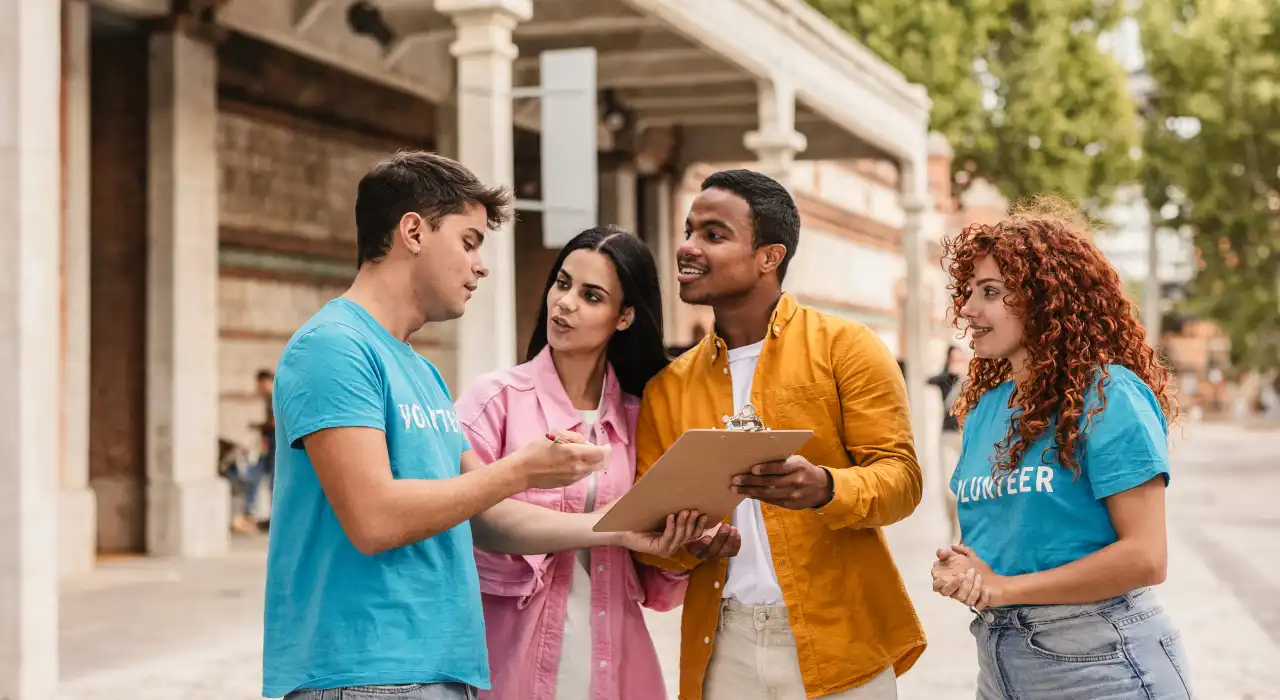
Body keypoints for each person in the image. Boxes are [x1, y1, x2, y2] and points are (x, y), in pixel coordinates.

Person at [262, 151, 712, 700]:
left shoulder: (417, 368)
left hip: (441, 670)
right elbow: (374, 518)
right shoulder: (335, 348)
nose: (482, 265)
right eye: (470, 241)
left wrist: (620, 530)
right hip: (365, 674)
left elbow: (489, 517)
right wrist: (523, 469)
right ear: (413, 232)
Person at [634, 169, 926, 700]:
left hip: (840, 638)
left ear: (769, 256)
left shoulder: (846, 347)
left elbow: (902, 480)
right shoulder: (668, 387)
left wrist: (827, 489)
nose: (686, 248)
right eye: (688, 230)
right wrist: (690, 544)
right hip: (724, 643)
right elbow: (653, 543)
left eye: (713, 235)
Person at [455, 226, 738, 700]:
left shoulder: (640, 418)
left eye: (591, 295)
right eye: (562, 284)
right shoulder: (495, 401)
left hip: (617, 671)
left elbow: (653, 579)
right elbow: (466, 521)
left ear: (624, 316)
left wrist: (686, 545)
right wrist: (616, 528)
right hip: (509, 670)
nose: (564, 303)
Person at [929, 196, 1192, 700]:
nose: (967, 308)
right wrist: (964, 568)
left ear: (1045, 299)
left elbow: (1146, 556)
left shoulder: (1109, 396)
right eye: (968, 291)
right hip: (1002, 661)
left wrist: (1002, 589)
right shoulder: (985, 408)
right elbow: (1009, 543)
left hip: (1102, 663)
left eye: (991, 292)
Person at [927, 346, 968, 543]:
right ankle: (952, 528)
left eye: (960, 359)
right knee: (948, 491)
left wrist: (964, 376)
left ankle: (962, 532)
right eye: (953, 360)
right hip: (946, 437)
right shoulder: (945, 381)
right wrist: (948, 373)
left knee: (964, 488)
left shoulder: (968, 381)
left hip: (965, 438)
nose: (957, 363)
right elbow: (928, 380)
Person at [234, 368, 277, 534]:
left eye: (261, 384)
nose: (259, 388)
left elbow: (275, 423)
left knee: (272, 478)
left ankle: (265, 515)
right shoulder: (268, 398)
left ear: (268, 381)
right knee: (256, 475)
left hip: (275, 441)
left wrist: (257, 426)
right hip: (269, 441)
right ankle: (249, 513)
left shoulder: (274, 396)